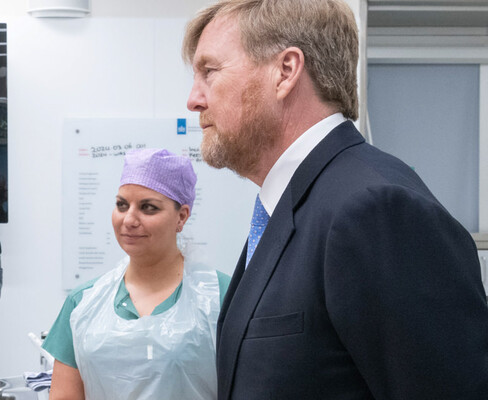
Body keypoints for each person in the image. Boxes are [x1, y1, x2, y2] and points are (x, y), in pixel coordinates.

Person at [183, 1, 488, 398]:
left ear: (285, 71)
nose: (194, 99)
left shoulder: (374, 209)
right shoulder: (297, 206)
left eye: (209, 71)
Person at [43, 149, 230, 400]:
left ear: (181, 216)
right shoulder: (84, 302)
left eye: (148, 208)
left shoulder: (220, 297)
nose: (129, 220)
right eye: (122, 205)